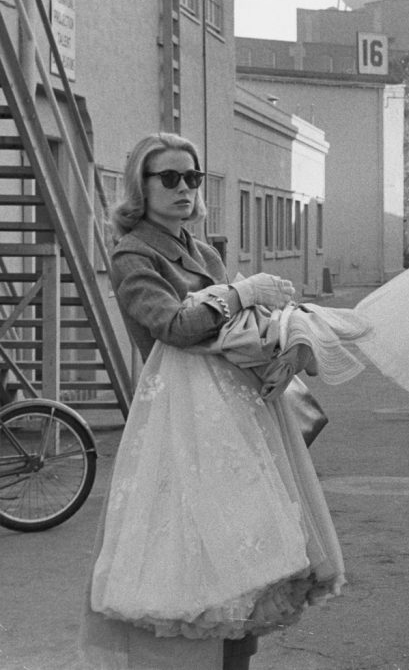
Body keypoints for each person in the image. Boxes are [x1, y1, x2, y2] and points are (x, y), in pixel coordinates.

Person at [79, 133, 338, 670]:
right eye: (168, 178)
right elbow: (173, 327)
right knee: (196, 568)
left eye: (191, 178)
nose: (183, 189)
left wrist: (286, 339)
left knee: (247, 560)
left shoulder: (200, 250)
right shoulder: (133, 254)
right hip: (182, 424)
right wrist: (241, 293)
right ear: (140, 187)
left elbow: (236, 331)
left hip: (235, 418)